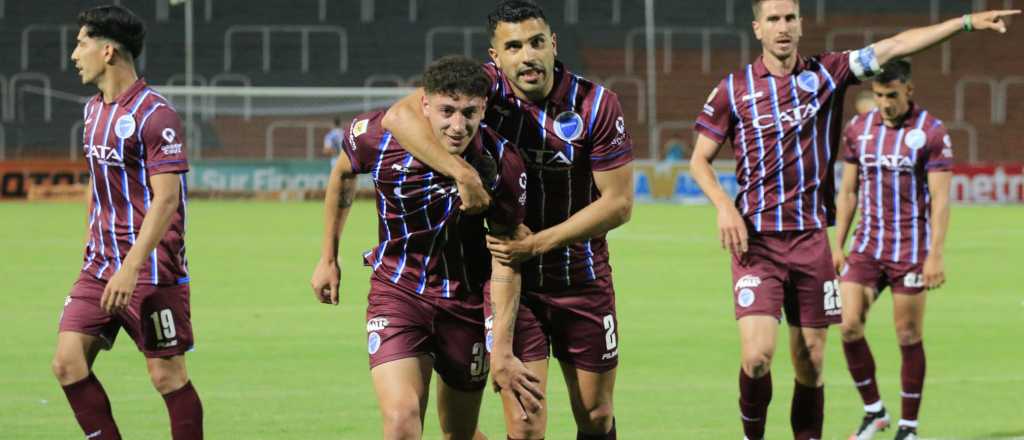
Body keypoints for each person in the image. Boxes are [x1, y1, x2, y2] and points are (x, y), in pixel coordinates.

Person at [689, 1, 1018, 439]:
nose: (783, 27)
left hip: (810, 241)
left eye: (790, 18)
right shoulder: (734, 89)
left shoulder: (829, 73)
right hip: (758, 244)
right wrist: (724, 206)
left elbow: (897, 45)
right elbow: (699, 161)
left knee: (811, 361)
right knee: (757, 357)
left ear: (801, 25)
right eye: (773, 19)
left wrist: (964, 23)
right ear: (757, 28)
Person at [381, 2, 634, 438]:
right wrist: (463, 174)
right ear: (495, 57)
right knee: (525, 427)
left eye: (537, 43)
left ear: (553, 44)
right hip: (512, 282)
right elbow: (399, 115)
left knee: (596, 415)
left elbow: (619, 204)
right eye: (513, 47)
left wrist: (537, 243)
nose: (528, 55)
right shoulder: (485, 91)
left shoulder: (596, 104)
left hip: (582, 277)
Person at [310, 55, 540, 440]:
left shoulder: (503, 163)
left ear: (483, 107)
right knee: (401, 421)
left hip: (465, 303)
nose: (457, 124)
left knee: (459, 434)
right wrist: (328, 258)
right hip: (397, 293)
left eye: (469, 112)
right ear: (426, 104)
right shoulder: (378, 136)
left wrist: (501, 347)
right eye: (447, 110)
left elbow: (506, 258)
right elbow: (343, 172)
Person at [53, 5, 202, 440]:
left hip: (150, 269)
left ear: (109, 50)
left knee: (167, 377)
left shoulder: (156, 114)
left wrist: (132, 265)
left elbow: (167, 197)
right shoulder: (92, 112)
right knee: (67, 363)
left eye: (81, 43)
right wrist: (90, 244)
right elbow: (96, 184)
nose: (73, 54)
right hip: (100, 266)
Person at [834, 60, 952, 440]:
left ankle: (909, 427)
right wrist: (837, 244)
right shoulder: (858, 129)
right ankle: (874, 412)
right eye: (880, 95)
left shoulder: (931, 132)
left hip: (910, 250)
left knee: (907, 335)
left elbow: (940, 198)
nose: (885, 103)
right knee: (848, 325)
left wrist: (935, 253)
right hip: (867, 247)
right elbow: (848, 191)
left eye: (893, 96)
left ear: (909, 91)